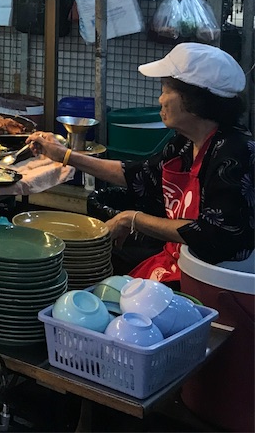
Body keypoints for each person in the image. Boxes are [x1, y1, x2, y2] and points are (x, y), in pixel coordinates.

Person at [27, 43, 253, 284]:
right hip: (177, 263)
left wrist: (133, 219)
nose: (160, 99)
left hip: (213, 282)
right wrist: (63, 155)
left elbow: (215, 233)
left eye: (166, 90)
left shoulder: (235, 152)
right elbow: (141, 176)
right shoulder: (185, 143)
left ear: (195, 101)